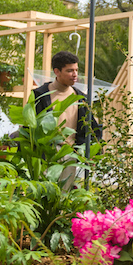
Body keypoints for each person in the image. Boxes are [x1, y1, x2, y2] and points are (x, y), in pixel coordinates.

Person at [30, 50, 101, 188]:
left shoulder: (81, 98)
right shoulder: (40, 95)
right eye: (70, 71)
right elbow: (29, 126)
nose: (75, 75)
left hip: (70, 154)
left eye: (76, 70)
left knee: (64, 195)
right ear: (57, 71)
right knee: (44, 193)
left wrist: (91, 151)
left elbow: (92, 129)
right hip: (45, 155)